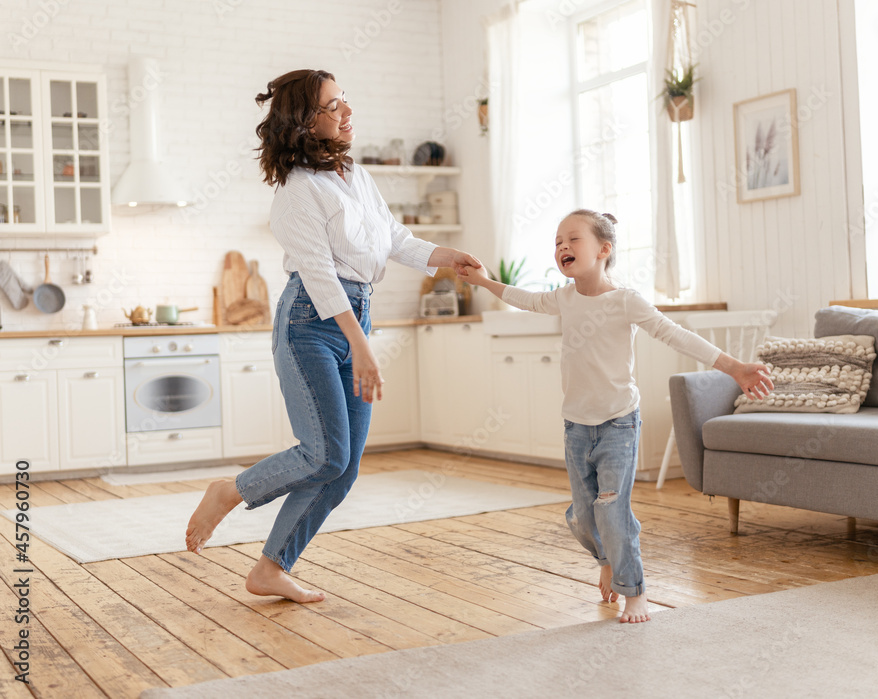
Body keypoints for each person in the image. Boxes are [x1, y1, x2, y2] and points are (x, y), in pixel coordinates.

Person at [185, 69, 483, 603]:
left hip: (356, 320)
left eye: (345, 100)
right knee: (324, 454)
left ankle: (270, 568)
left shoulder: (355, 177)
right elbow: (321, 278)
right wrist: (362, 344)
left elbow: (395, 239)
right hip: (311, 326)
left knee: (342, 471)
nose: (347, 111)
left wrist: (445, 258)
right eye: (333, 104)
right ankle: (229, 492)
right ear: (306, 120)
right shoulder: (297, 193)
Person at [459, 210, 773, 622]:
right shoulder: (562, 297)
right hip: (575, 425)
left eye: (573, 239)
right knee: (583, 514)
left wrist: (735, 367)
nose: (562, 247)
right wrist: (482, 280)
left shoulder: (626, 300)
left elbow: (675, 334)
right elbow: (524, 298)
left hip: (618, 424)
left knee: (612, 510)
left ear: (604, 249)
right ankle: (607, 555)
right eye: (557, 242)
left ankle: (634, 591)